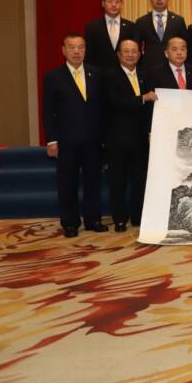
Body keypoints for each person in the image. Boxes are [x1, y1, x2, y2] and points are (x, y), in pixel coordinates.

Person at [42, 34, 106, 237]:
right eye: (72, 47)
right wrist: (51, 140)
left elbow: (102, 108)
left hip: (93, 140)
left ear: (85, 50)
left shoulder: (96, 74)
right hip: (66, 141)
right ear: (63, 50)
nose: (77, 51)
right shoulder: (53, 77)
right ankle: (70, 223)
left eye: (80, 47)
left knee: (93, 182)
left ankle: (93, 219)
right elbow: (48, 111)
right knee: (67, 183)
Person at [103, 38, 157, 232]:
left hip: (140, 138)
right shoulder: (109, 76)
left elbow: (151, 107)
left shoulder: (145, 75)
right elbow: (115, 102)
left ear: (140, 54)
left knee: (139, 180)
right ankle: (119, 218)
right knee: (117, 180)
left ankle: (137, 217)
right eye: (126, 51)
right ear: (119, 54)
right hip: (117, 139)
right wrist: (143, 98)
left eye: (134, 51)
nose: (130, 54)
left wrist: (150, 130)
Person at [134, 0, 188, 72]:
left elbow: (185, 44)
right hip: (148, 67)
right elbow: (136, 46)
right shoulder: (141, 21)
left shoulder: (178, 20)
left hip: (173, 67)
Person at [85, 0, 135, 71]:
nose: (114, 4)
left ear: (121, 4)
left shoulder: (131, 27)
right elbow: (88, 54)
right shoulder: (92, 27)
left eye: (117, 1)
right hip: (99, 73)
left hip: (123, 73)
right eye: (110, 1)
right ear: (103, 3)